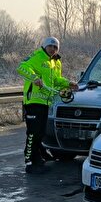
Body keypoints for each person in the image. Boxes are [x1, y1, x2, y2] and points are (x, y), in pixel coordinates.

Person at [18, 37, 77, 174]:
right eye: (50, 46)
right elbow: (21, 67)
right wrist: (34, 78)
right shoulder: (37, 56)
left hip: (46, 102)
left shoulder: (56, 62)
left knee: (41, 132)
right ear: (45, 46)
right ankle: (30, 161)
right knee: (33, 132)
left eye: (55, 47)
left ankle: (39, 157)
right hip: (33, 101)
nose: (53, 49)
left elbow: (56, 80)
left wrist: (69, 83)